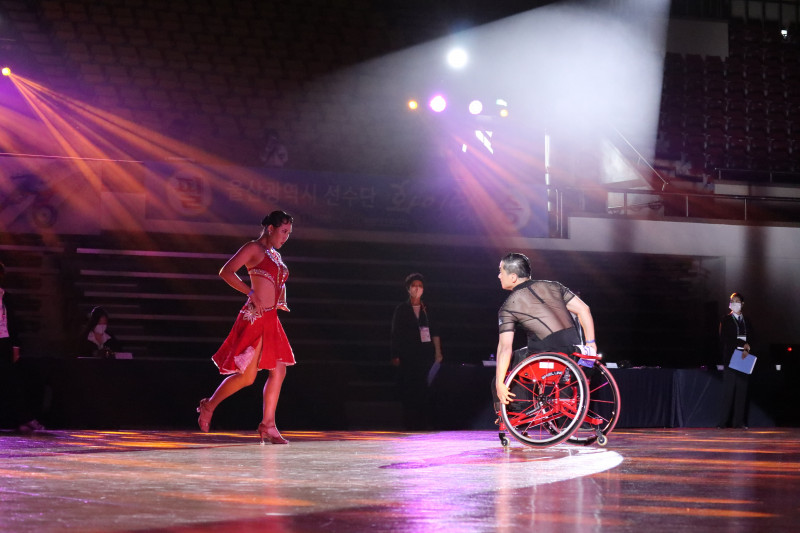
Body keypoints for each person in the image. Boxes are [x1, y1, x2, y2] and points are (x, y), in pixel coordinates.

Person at [197, 210, 295, 444]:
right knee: (248, 377)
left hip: (271, 318)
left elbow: (276, 282)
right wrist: (251, 293)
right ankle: (209, 405)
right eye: (283, 231)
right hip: (256, 317)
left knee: (275, 371)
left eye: (289, 233)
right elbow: (226, 272)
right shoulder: (254, 248)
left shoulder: (274, 254)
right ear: (270, 229)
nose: (286, 237)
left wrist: (279, 300)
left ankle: (268, 424)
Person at [494, 252, 597, 407]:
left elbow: (505, 348)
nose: (499, 276)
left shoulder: (509, 306)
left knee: (506, 367)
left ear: (513, 277)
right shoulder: (554, 286)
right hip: (573, 353)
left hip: (544, 354)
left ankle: (514, 413)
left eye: (501, 271)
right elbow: (584, 310)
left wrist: (499, 383)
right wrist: (591, 343)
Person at [390, 273, 444, 429]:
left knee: (424, 388)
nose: (417, 288)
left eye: (420, 286)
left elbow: (435, 331)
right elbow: (395, 333)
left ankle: (423, 423)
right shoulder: (402, 309)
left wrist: (438, 351)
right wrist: (395, 354)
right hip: (407, 354)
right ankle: (409, 423)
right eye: (414, 286)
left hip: (425, 354)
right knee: (409, 388)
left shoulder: (427, 308)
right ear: (408, 289)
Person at [0, 261, 45, 433]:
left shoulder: (6, 296)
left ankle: (22, 419)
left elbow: (13, 322)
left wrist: (15, 346)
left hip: (4, 342)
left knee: (11, 382)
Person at [717, 292, 754, 429]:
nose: (734, 303)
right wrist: (741, 343)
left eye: (737, 301)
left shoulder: (746, 320)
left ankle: (738, 422)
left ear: (742, 304)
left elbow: (753, 337)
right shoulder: (726, 319)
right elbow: (724, 337)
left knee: (741, 391)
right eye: (732, 301)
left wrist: (748, 347)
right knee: (728, 391)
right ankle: (723, 422)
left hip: (744, 357)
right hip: (731, 357)